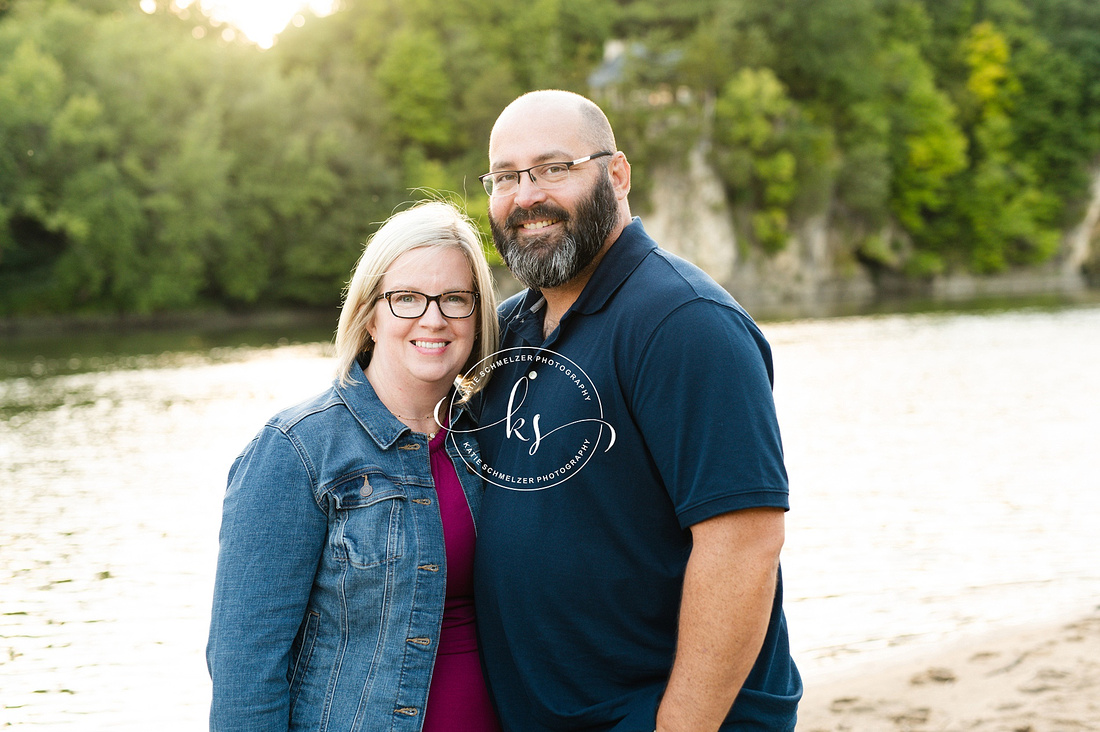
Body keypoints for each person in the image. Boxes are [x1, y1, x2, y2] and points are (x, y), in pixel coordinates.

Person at [471, 90, 802, 731]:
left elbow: (744, 545)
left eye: (553, 168)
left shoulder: (685, 322)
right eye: (505, 176)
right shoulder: (508, 331)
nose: (526, 195)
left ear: (616, 175)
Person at [207, 200, 502, 732]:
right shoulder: (296, 452)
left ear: (478, 316)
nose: (432, 318)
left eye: (455, 299)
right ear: (369, 313)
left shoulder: (493, 439)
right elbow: (245, 679)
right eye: (407, 298)